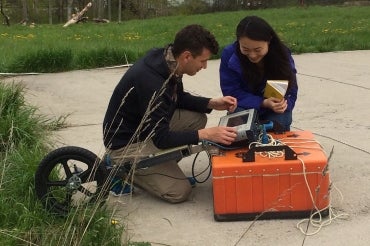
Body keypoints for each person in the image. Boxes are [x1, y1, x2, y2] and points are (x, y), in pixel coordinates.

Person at [103, 24, 238, 203]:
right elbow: (161, 139)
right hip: (125, 144)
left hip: (145, 128)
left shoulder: (168, 60)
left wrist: (211, 103)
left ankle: (160, 168)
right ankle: (118, 169)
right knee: (179, 191)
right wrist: (206, 135)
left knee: (196, 118)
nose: (204, 66)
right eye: (203, 61)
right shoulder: (153, 82)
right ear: (187, 56)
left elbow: (177, 98)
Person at [219, 16, 298, 131]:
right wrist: (262, 102)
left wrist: (283, 104)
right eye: (245, 49)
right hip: (244, 106)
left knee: (280, 121)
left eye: (258, 50)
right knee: (241, 125)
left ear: (269, 41)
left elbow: (291, 89)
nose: (252, 55)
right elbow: (231, 92)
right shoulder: (229, 54)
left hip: (273, 108)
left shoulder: (282, 54)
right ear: (238, 41)